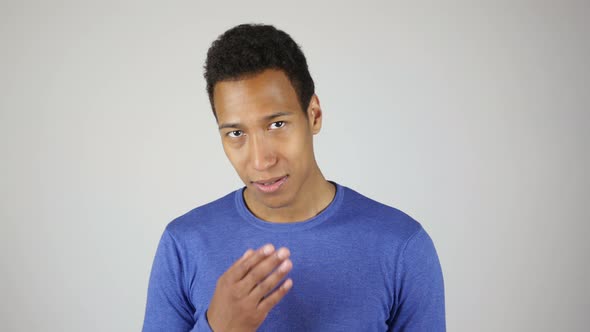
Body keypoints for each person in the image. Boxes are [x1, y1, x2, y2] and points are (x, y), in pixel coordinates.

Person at [142, 23, 445, 332]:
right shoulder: (184, 243)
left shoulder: (401, 246)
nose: (261, 160)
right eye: (236, 133)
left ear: (313, 114)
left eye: (277, 125)